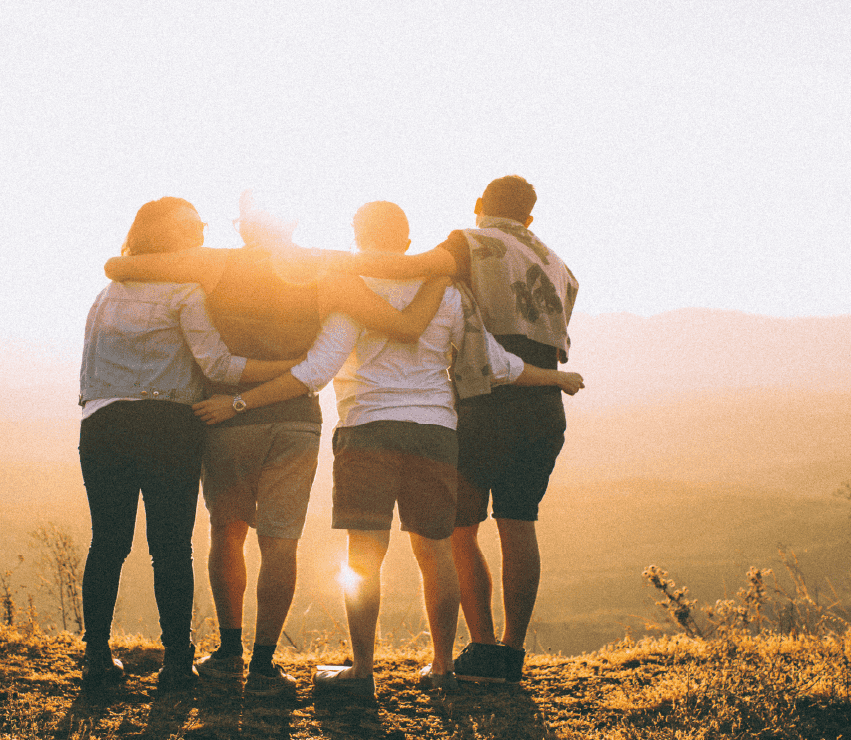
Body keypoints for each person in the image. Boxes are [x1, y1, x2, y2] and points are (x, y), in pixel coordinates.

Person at [195, 201, 582, 695]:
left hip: (367, 431)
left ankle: (361, 672)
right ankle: (441, 666)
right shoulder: (447, 292)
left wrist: (240, 402)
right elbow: (496, 364)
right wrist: (556, 377)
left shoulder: (351, 292)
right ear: (406, 240)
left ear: (358, 237)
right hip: (435, 432)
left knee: (364, 557)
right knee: (435, 550)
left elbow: (315, 372)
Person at [102, 192, 449, 697]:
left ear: (243, 227)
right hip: (296, 420)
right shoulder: (326, 271)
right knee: (280, 542)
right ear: (292, 222)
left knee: (228, 532)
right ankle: (265, 666)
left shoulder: (215, 264)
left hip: (227, 417)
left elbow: (120, 267)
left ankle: (228, 653)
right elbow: (403, 326)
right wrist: (441, 272)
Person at [350, 176, 580, 683]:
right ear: (530, 217)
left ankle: (480, 647)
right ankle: (512, 653)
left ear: (480, 206)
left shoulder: (468, 241)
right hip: (543, 403)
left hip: (485, 398)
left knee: (460, 527)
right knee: (520, 523)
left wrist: (323, 266)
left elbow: (404, 267)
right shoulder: (559, 265)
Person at [78, 197, 302, 694]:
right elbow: (219, 368)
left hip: (102, 424)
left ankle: (96, 657)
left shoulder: (107, 293)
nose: (203, 232)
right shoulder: (184, 293)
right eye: (195, 226)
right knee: (170, 548)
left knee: (108, 543)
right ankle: (177, 663)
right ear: (176, 237)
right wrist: (288, 370)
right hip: (168, 426)